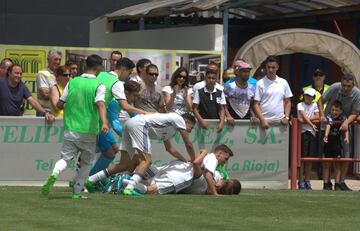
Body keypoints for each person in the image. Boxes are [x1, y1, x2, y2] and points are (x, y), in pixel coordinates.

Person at [41, 54, 109, 199]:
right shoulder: (99, 84)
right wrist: (104, 122)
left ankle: (55, 173)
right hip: (88, 130)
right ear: (99, 68)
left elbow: (60, 104)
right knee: (86, 162)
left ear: (85, 66)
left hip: (70, 128)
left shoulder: (73, 82)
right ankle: (77, 192)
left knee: (65, 159)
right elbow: (100, 103)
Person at [86, 113, 197, 196]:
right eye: (191, 127)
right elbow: (189, 144)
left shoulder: (171, 130)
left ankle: (90, 180)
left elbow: (170, 149)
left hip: (129, 124)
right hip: (140, 124)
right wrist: (194, 160)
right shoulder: (179, 119)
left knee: (124, 165)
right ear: (186, 120)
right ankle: (130, 187)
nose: (190, 131)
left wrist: (184, 159)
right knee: (147, 161)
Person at [89, 58, 150, 178]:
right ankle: (92, 178)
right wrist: (133, 136)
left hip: (95, 121)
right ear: (123, 69)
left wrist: (145, 121)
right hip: (99, 124)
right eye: (129, 73)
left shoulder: (101, 74)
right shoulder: (115, 90)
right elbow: (118, 119)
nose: (128, 76)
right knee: (109, 154)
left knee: (114, 150)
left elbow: (133, 115)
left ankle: (92, 177)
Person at [127, 147, 241, 196]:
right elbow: (199, 166)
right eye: (226, 159)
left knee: (139, 161)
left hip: (176, 170)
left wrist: (203, 153)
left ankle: (126, 179)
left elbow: (197, 165)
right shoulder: (212, 163)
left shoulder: (208, 174)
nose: (225, 162)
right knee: (150, 189)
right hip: (179, 174)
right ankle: (125, 181)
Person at [317, 74, 360, 191]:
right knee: (326, 155)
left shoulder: (357, 94)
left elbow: (355, 112)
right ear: (341, 83)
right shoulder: (335, 87)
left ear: (353, 85)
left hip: (343, 128)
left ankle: (340, 182)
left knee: (345, 155)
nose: (345, 88)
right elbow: (320, 100)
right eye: (344, 85)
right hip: (327, 127)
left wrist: (346, 123)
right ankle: (326, 183)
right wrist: (321, 116)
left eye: (348, 86)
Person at [253, 56, 293, 129]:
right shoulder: (260, 83)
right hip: (264, 122)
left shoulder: (283, 82)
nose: (270, 70)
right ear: (266, 67)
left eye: (273, 67)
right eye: (268, 67)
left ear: (277, 67)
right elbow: (256, 104)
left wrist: (286, 117)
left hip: (280, 123)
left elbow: (288, 102)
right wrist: (262, 120)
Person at [323, 101, 349, 190]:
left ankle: (337, 184)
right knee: (326, 164)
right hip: (328, 143)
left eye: (336, 110)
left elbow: (346, 128)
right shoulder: (329, 116)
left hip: (337, 144)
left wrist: (346, 137)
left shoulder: (343, 117)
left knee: (337, 164)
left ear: (341, 111)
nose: (334, 112)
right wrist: (326, 136)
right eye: (333, 110)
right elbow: (328, 126)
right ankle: (326, 184)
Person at [192, 64, 226, 133]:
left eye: (213, 78)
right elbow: (194, 108)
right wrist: (201, 121)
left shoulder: (220, 92)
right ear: (205, 78)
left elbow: (222, 109)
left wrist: (222, 122)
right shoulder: (199, 92)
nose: (211, 80)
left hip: (216, 123)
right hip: (201, 123)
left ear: (216, 80)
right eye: (209, 78)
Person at [297, 88, 319, 190]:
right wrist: (311, 123)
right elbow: (303, 116)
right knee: (302, 159)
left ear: (313, 97)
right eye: (306, 95)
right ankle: (300, 181)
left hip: (312, 133)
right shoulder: (300, 105)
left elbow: (317, 116)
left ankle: (307, 180)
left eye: (310, 96)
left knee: (309, 159)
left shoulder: (314, 105)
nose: (307, 97)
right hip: (302, 133)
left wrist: (306, 121)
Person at [224, 60, 257, 126]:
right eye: (244, 71)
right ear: (238, 72)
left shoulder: (252, 88)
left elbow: (251, 104)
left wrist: (253, 115)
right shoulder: (229, 86)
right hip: (232, 120)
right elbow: (223, 104)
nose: (246, 74)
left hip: (247, 120)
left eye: (248, 71)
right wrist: (228, 116)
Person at [36, 48, 62, 116]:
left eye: (59, 60)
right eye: (55, 59)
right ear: (48, 60)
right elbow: (45, 94)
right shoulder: (42, 73)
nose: (58, 62)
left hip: (59, 112)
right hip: (46, 112)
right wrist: (63, 94)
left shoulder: (61, 75)